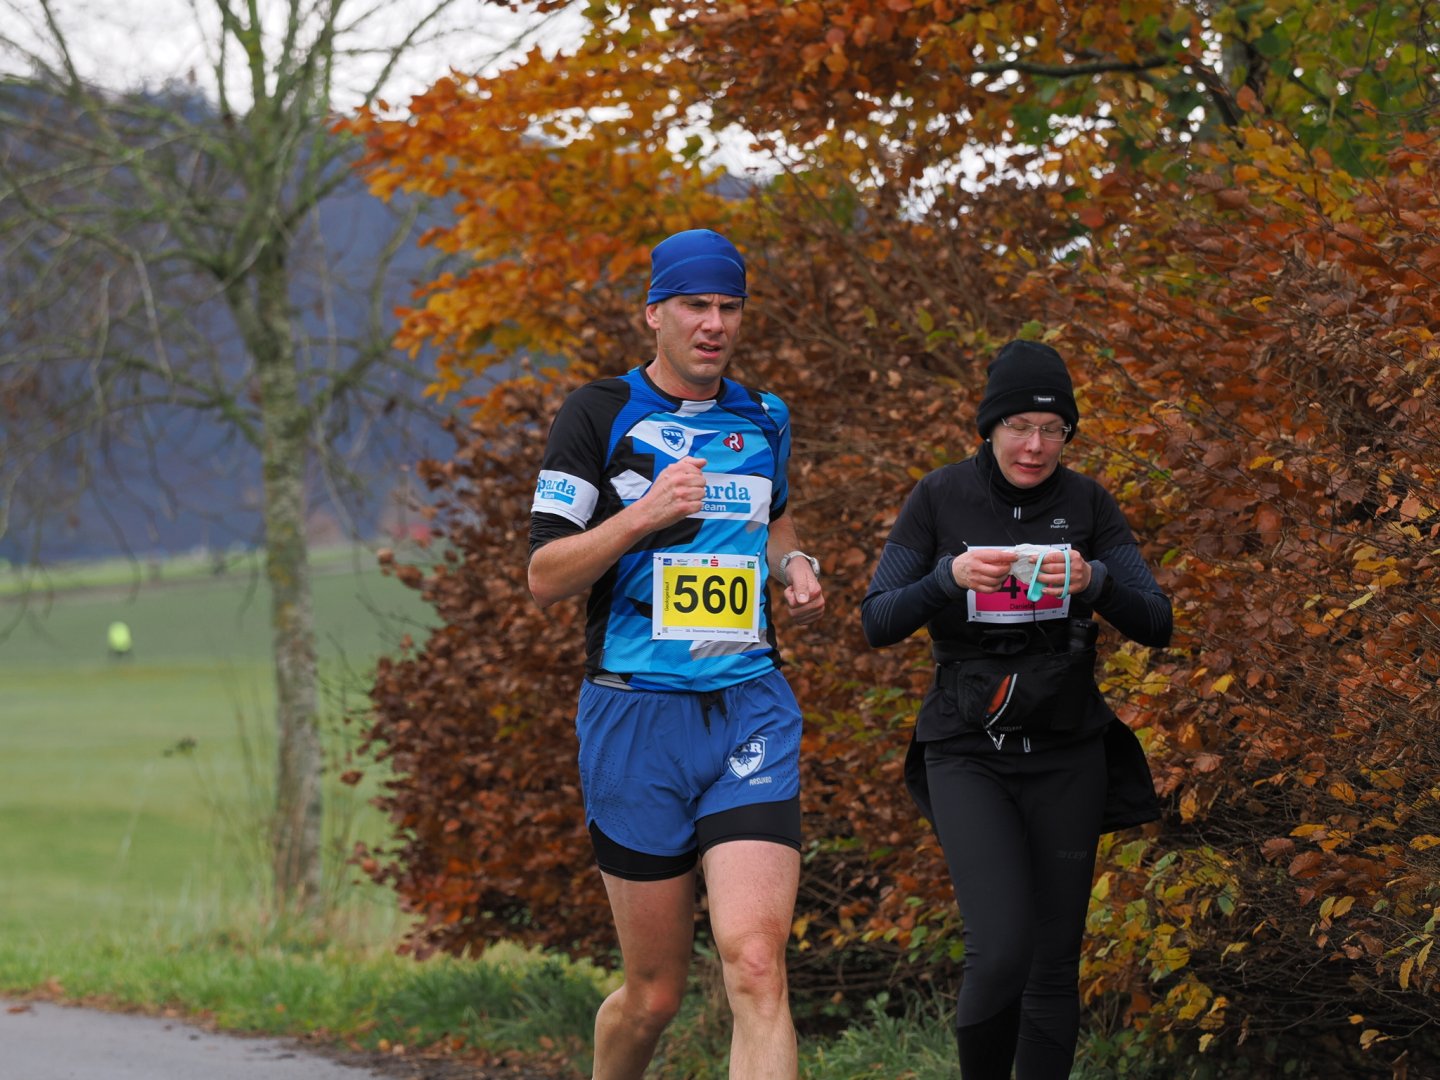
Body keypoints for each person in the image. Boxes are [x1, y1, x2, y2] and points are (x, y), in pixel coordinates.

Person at [528, 228, 825, 1080]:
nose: (714, 323)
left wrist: (794, 565)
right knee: (654, 996)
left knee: (757, 965)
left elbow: (774, 521)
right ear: (653, 313)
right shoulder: (600, 413)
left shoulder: (764, 417)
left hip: (749, 709)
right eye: (696, 305)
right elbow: (545, 576)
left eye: (730, 307)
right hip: (635, 718)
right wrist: (643, 516)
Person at [861, 340, 1172, 1079]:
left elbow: (1157, 622)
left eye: (1053, 430)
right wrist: (948, 577)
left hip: (1068, 750)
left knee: (1054, 964)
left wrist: (1095, 581)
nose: (1035, 446)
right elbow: (877, 620)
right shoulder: (940, 496)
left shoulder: (1088, 503)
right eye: (1019, 426)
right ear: (990, 427)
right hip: (967, 749)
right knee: (1001, 949)